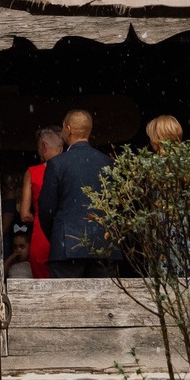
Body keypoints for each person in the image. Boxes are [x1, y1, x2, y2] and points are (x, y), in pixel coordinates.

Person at [37, 108, 120, 278]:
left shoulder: (57, 164)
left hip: (67, 246)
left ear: (67, 129)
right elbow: (117, 206)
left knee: (66, 302)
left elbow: (46, 210)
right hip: (104, 245)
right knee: (103, 303)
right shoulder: (108, 163)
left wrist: (58, 236)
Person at [19, 126, 64, 279]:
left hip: (42, 236)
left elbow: (24, 215)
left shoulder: (32, 172)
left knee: (42, 287)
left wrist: (40, 218)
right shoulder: (69, 169)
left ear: (44, 146)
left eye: (38, 147)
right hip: (67, 237)